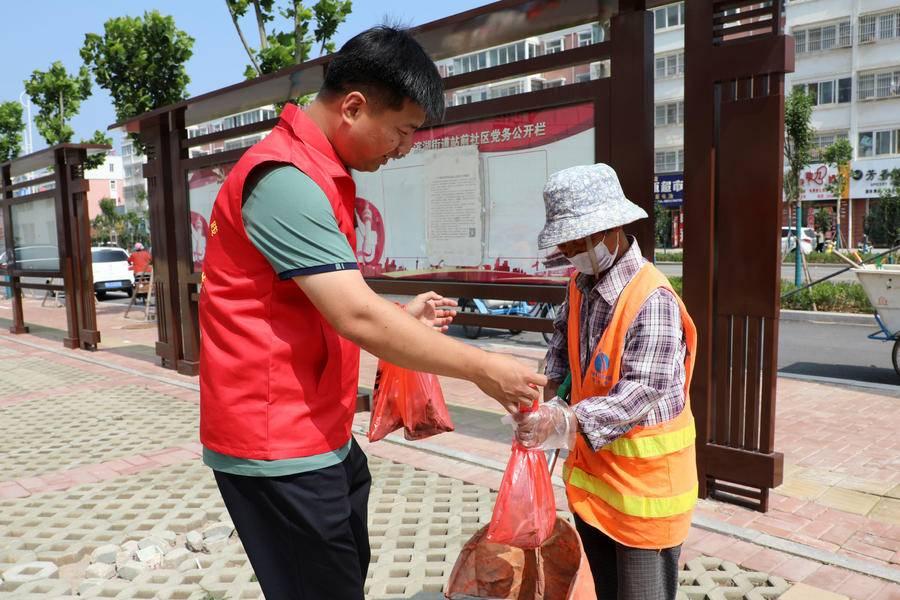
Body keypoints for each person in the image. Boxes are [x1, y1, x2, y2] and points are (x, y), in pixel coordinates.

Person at [198, 26, 546, 600]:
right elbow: (354, 316)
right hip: (277, 440)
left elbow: (321, 299)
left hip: (316, 427)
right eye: (403, 131)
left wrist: (399, 317)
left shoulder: (317, 172)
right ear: (354, 107)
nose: (405, 147)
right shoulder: (284, 179)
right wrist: (484, 368)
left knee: (343, 569)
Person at [513, 163, 698, 600]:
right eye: (567, 241)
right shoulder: (580, 285)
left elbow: (641, 391)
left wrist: (565, 422)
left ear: (613, 227)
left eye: (582, 238)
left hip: (646, 500)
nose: (573, 249)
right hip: (596, 491)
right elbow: (561, 348)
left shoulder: (651, 298)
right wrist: (541, 403)